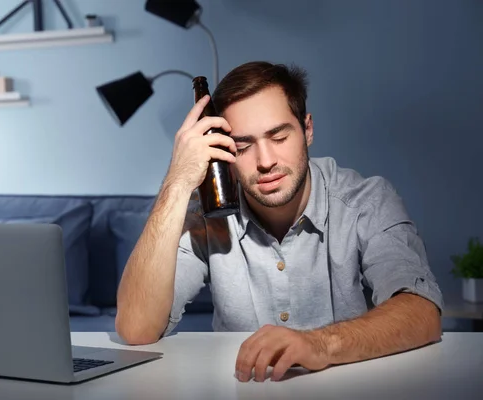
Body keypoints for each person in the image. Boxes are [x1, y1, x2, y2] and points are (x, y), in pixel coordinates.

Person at [114, 61, 444, 382]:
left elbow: (422, 313)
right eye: (243, 147)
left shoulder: (366, 201)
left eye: (279, 137)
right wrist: (178, 180)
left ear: (308, 129)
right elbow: (136, 329)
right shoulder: (205, 216)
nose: (266, 161)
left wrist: (320, 343)